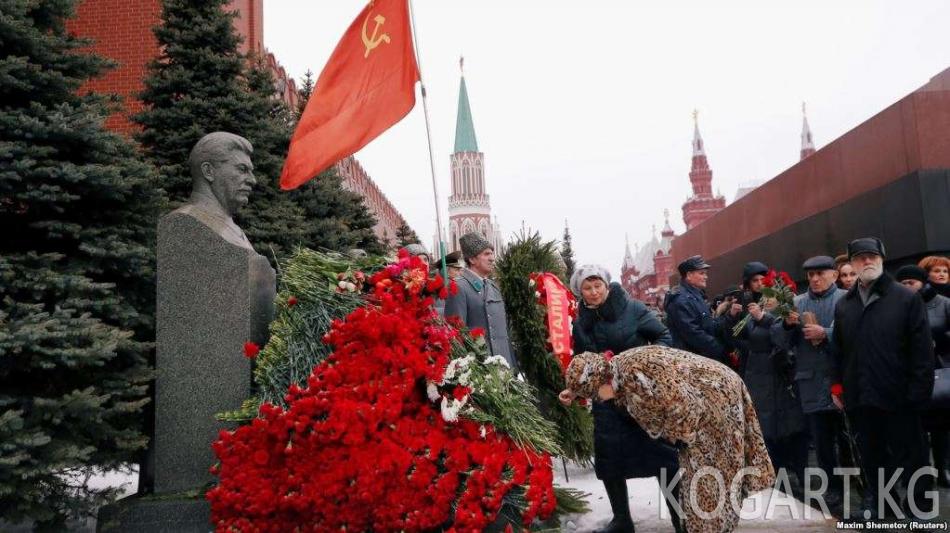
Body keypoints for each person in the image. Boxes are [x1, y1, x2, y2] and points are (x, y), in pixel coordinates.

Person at [561, 348, 775, 533]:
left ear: (603, 382)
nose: (599, 400)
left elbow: (683, 405)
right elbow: (592, 378)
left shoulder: (635, 374)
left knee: (707, 481)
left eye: (596, 396)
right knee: (704, 484)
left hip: (714, 401)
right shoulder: (616, 371)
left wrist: (678, 436)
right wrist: (573, 391)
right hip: (705, 405)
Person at [566, 265, 680, 533]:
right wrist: (574, 389)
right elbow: (582, 362)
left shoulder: (634, 309)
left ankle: (680, 518)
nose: (594, 293)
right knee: (610, 460)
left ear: (607, 285)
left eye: (598, 286)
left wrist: (645, 365)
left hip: (642, 398)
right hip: (606, 400)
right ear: (580, 291)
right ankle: (622, 520)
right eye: (587, 288)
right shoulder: (581, 322)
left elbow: (664, 336)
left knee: (663, 459)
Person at [832, 238, 935, 518]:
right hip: (861, 396)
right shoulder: (845, 305)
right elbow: (839, 351)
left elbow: (922, 351)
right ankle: (883, 506)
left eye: (873, 256)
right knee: (873, 457)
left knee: (913, 456)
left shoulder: (905, 298)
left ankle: (919, 507)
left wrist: (918, 393)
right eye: (861, 257)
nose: (867, 261)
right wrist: (838, 387)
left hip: (901, 394)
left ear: (882, 259)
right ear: (851, 263)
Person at [771, 255, 847, 512]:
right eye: (811, 275)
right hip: (811, 384)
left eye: (820, 273)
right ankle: (833, 488)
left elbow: (858, 332)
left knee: (850, 439)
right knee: (823, 443)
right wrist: (787, 325)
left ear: (834, 275)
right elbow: (779, 341)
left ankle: (864, 485)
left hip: (844, 382)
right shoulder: (797, 303)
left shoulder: (846, 299)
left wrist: (825, 333)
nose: (814, 279)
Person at [732, 262, 808, 498]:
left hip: (779, 373)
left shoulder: (781, 305)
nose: (760, 285)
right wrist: (731, 319)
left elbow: (782, 336)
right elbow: (738, 337)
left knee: (789, 426)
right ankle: (775, 474)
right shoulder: (750, 308)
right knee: (765, 427)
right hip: (756, 373)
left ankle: (799, 475)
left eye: (763, 280)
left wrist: (763, 317)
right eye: (754, 281)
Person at [896, 264, 950, 488]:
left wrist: (938, 339)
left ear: (922, 282)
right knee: (914, 427)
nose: (907, 287)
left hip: (939, 372)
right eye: (903, 283)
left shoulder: (943, 303)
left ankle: (943, 467)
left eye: (911, 283)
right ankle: (919, 473)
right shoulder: (897, 306)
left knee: (942, 426)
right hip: (908, 375)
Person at [443, 232, 517, 370]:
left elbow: (504, 334)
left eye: (492, 254)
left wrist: (513, 367)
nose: (492, 258)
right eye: (486, 254)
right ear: (472, 259)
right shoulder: (458, 287)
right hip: (480, 371)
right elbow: (456, 335)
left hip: (504, 369)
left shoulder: (493, 287)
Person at [665, 255, 740, 365]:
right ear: (689, 275)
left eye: (705, 273)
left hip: (702, 359)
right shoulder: (681, 300)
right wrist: (720, 349)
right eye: (701, 273)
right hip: (692, 363)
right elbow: (693, 334)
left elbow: (709, 325)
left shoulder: (695, 296)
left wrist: (730, 315)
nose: (706, 277)